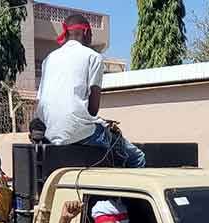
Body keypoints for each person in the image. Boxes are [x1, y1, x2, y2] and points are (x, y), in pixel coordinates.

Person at [36, 14, 146, 168]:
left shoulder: (48, 59)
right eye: (91, 35)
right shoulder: (93, 57)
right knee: (137, 158)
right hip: (81, 133)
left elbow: (41, 102)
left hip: (50, 133)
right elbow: (93, 110)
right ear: (86, 33)